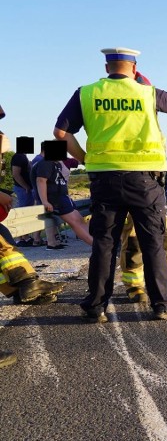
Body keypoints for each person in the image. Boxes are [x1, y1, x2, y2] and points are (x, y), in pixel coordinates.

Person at [53, 47, 167, 322]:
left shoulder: (86, 93)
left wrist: (86, 159)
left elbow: (60, 133)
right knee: (152, 241)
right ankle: (162, 305)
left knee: (104, 245)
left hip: (104, 179)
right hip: (145, 181)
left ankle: (96, 308)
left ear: (107, 68)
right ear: (134, 68)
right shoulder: (147, 92)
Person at [0, 103, 67, 369]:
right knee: (4, 245)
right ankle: (26, 284)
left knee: (4, 242)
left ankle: (23, 286)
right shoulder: (28, 160)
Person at [119, 71, 167, 304]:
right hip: (131, 186)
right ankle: (134, 285)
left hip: (153, 189)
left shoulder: (149, 124)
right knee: (133, 242)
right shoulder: (126, 124)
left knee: (166, 237)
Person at [32, 141, 94, 248]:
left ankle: (99, 243)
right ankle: (97, 246)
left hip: (63, 197)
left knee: (80, 220)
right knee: (76, 223)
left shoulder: (56, 164)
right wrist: (45, 201)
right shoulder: (45, 162)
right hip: (55, 199)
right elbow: (41, 181)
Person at [10, 143, 37, 246]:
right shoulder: (18, 157)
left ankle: (24, 237)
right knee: (23, 213)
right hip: (22, 189)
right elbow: (16, 174)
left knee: (26, 212)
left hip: (26, 188)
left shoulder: (23, 156)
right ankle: (20, 238)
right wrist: (25, 186)